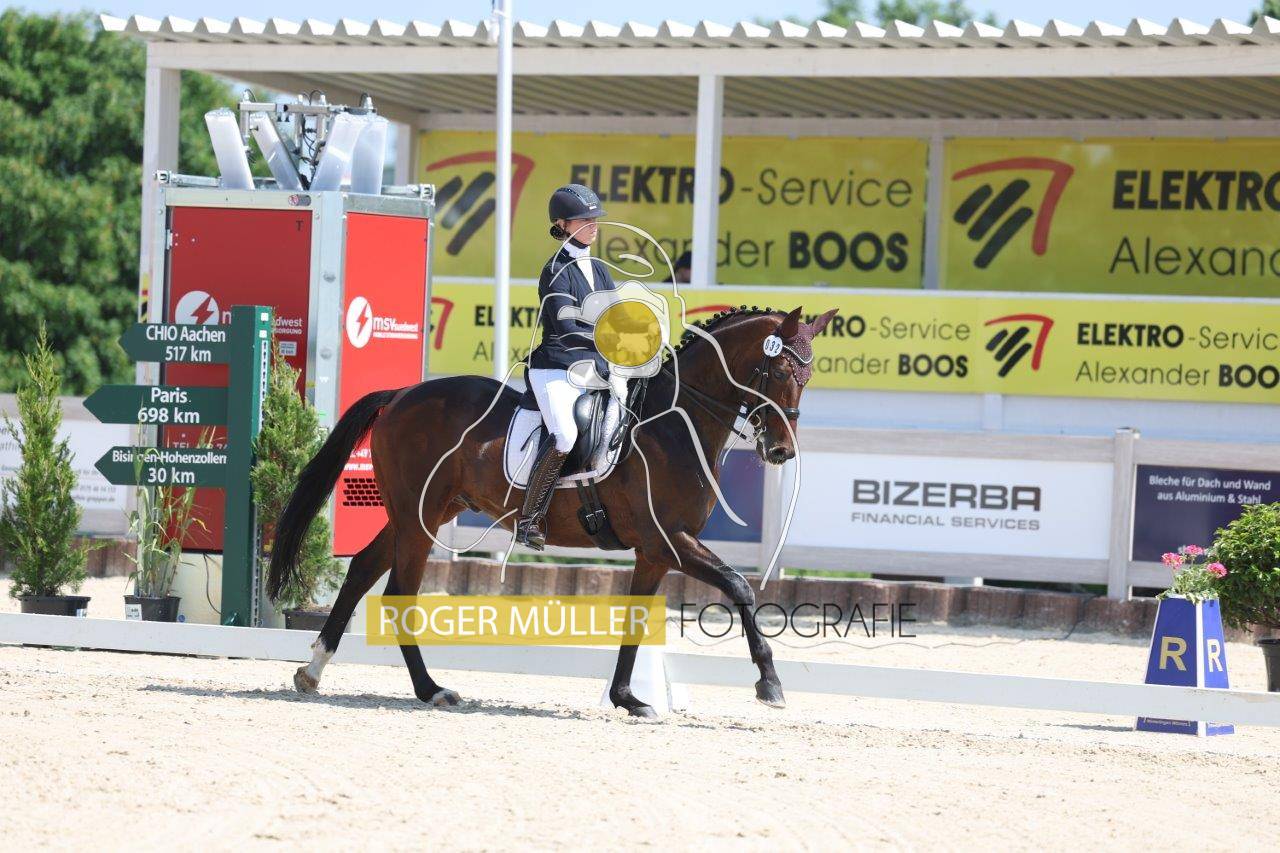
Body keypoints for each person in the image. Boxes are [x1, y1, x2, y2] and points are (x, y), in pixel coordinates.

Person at [515, 184, 628, 550]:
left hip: (595, 370)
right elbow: (566, 329)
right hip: (556, 369)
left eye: (595, 219)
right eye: (584, 219)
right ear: (562, 224)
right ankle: (529, 518)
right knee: (564, 435)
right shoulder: (555, 270)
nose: (594, 225)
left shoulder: (599, 268)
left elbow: (616, 318)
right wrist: (607, 340)